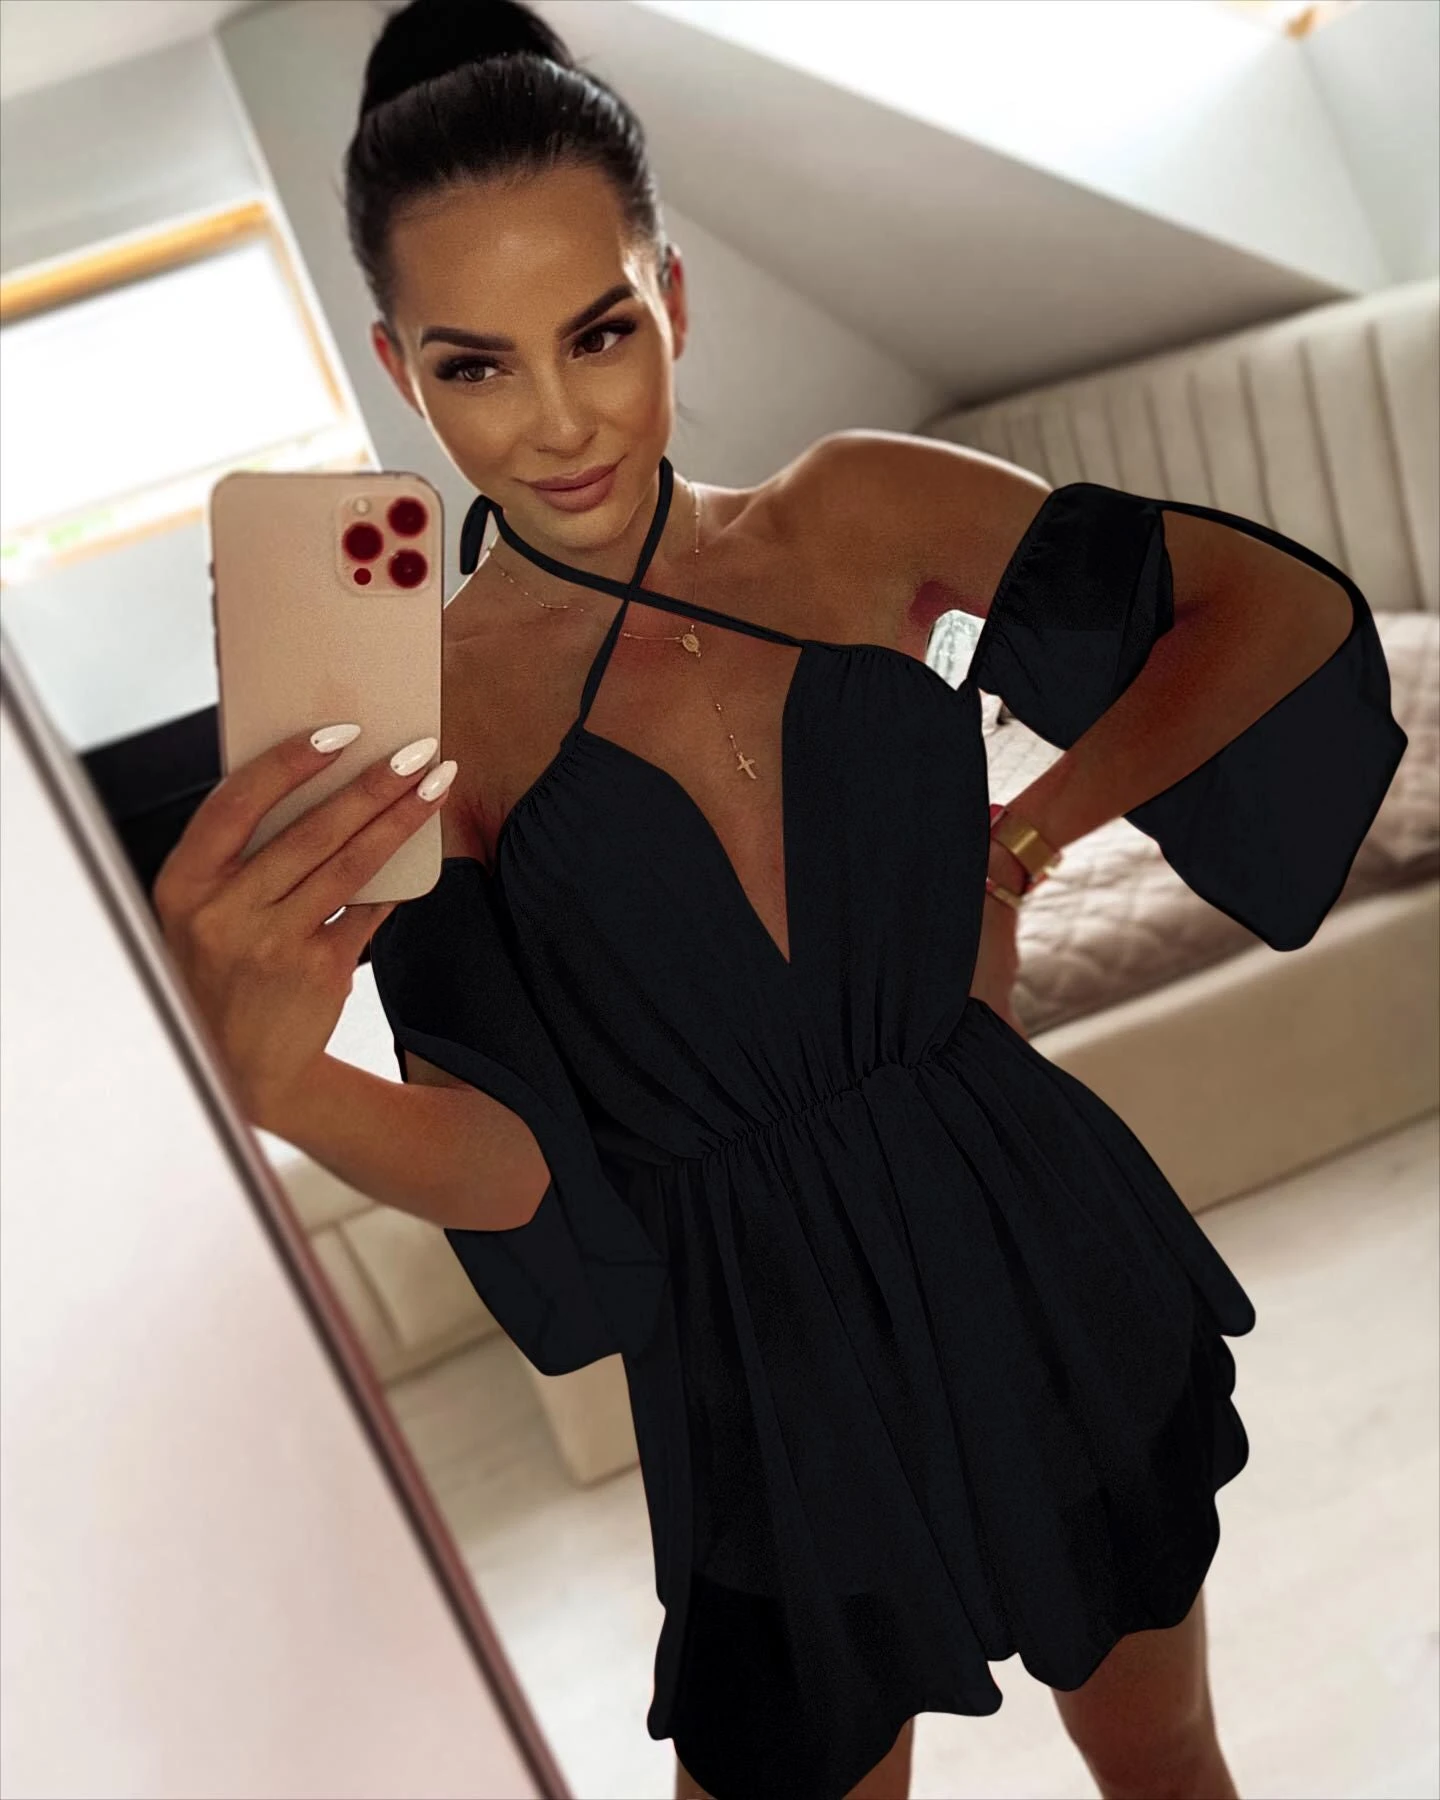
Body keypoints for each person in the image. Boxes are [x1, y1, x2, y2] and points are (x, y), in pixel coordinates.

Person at [154, 2, 1409, 1797]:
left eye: (599, 331)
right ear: (399, 372)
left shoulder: (859, 515)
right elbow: (518, 1166)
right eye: (477, 366)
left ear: (673, 295)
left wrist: (1027, 835)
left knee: (1165, 1766)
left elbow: (1268, 615)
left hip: (1026, 1237)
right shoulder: (423, 706)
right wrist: (279, 1082)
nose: (559, 422)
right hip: (758, 1356)